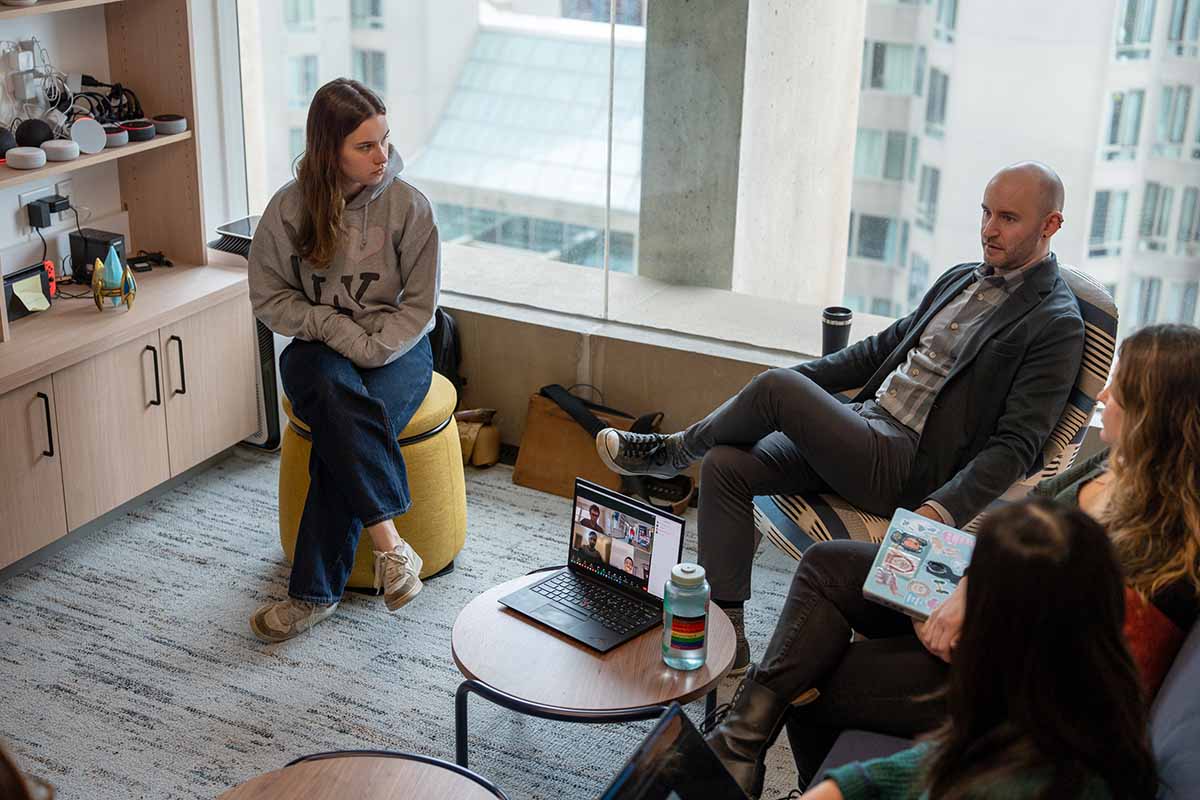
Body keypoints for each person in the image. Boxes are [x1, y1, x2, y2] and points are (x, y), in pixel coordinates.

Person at [597, 162, 1085, 671]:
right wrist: (790, 390)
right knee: (726, 464)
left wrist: (939, 511)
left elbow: (1017, 444)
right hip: (863, 429)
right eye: (986, 212)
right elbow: (875, 352)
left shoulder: (1055, 325)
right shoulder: (959, 279)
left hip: (907, 466)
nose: (988, 229)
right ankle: (730, 635)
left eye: (1008, 218)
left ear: (1050, 225)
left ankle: (673, 452)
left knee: (776, 387)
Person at [706, 323, 1200, 795]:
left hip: (1007, 672)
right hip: (984, 598)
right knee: (826, 565)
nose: (1101, 397)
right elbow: (1033, 511)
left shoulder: (1164, 549)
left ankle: (772, 768)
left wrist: (972, 615)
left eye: (1119, 391)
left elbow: (1071, 664)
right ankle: (740, 748)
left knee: (813, 686)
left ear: (1152, 413)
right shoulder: (1117, 464)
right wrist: (963, 588)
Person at [792, 500, 1158, 800]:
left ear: (993, 625)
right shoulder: (1077, 712)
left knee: (813, 682)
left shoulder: (1012, 784)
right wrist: (846, 785)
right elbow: (941, 761)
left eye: (972, 589)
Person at [246, 78, 440, 642]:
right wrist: (329, 325)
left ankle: (311, 596)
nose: (383, 157)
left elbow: (421, 308)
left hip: (397, 347)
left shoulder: (410, 207)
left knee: (341, 434)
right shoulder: (289, 208)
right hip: (317, 347)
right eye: (365, 146)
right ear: (330, 150)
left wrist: (372, 347)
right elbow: (269, 297)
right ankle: (391, 546)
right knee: (334, 398)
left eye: (385, 141)